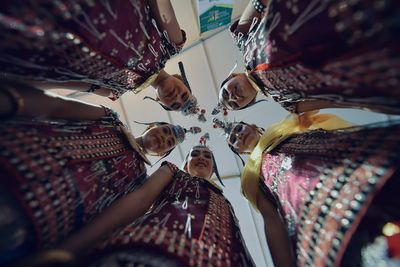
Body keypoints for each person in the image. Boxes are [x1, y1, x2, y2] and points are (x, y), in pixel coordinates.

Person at [0, 80, 201, 265]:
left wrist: (65, 252)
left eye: (168, 143)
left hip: (33, 224)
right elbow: (59, 107)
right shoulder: (109, 119)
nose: (163, 138)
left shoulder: (140, 183)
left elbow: (111, 220)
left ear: (163, 152)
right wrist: (11, 100)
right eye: (164, 131)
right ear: (151, 126)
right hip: (12, 155)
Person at [214, 114, 400, 266]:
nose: (238, 136)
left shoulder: (291, 125)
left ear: (253, 125)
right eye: (233, 140)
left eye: (238, 129)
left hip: (355, 166)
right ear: (239, 151)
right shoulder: (251, 177)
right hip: (319, 214)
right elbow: (271, 220)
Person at [49, 140, 255, 267]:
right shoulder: (173, 172)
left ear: (213, 168)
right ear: (185, 163)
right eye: (195, 154)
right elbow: (140, 199)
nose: (201, 158)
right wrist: (72, 249)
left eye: (207, 156)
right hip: (154, 245)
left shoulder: (222, 198)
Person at [0, 0, 202, 118]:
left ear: (160, 101)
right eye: (183, 95)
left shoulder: (114, 91)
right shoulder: (172, 42)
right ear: (180, 78)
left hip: (40, 33)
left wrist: (17, 81)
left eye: (174, 104)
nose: (176, 97)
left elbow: (61, 83)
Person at [213, 0, 400, 115]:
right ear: (249, 102)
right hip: (356, 51)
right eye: (234, 104)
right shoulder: (289, 105)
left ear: (231, 77)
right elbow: (337, 101)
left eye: (225, 93)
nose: (233, 97)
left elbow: (258, 2)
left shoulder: (241, 38)